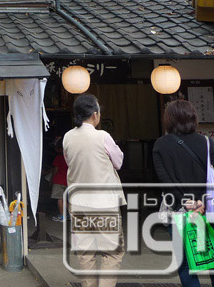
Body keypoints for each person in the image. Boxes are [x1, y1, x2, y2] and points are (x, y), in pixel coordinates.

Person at [153, 99, 214, 287]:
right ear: (192, 118)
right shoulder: (206, 142)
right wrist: (201, 202)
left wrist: (187, 202)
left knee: (185, 264)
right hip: (208, 210)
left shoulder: (160, 145)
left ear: (169, 120)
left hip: (177, 210)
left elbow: (165, 181)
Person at [63, 94, 125, 287]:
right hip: (104, 203)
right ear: (95, 114)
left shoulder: (68, 137)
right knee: (112, 252)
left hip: (78, 204)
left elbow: (69, 162)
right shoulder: (102, 136)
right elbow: (119, 162)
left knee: (86, 253)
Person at [50, 137, 68, 222]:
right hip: (67, 180)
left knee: (60, 199)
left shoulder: (59, 157)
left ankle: (62, 217)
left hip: (58, 180)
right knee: (66, 199)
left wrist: (52, 178)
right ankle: (67, 216)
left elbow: (56, 169)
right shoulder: (69, 156)